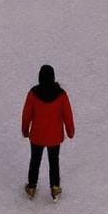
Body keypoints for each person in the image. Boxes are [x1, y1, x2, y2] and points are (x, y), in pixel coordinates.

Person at [21, 64, 75, 200]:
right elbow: (68, 115)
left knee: (35, 160)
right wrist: (70, 131)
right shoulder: (61, 94)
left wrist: (25, 130)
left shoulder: (33, 93)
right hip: (55, 136)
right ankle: (55, 188)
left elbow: (26, 114)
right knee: (54, 161)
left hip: (37, 136)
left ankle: (32, 187)